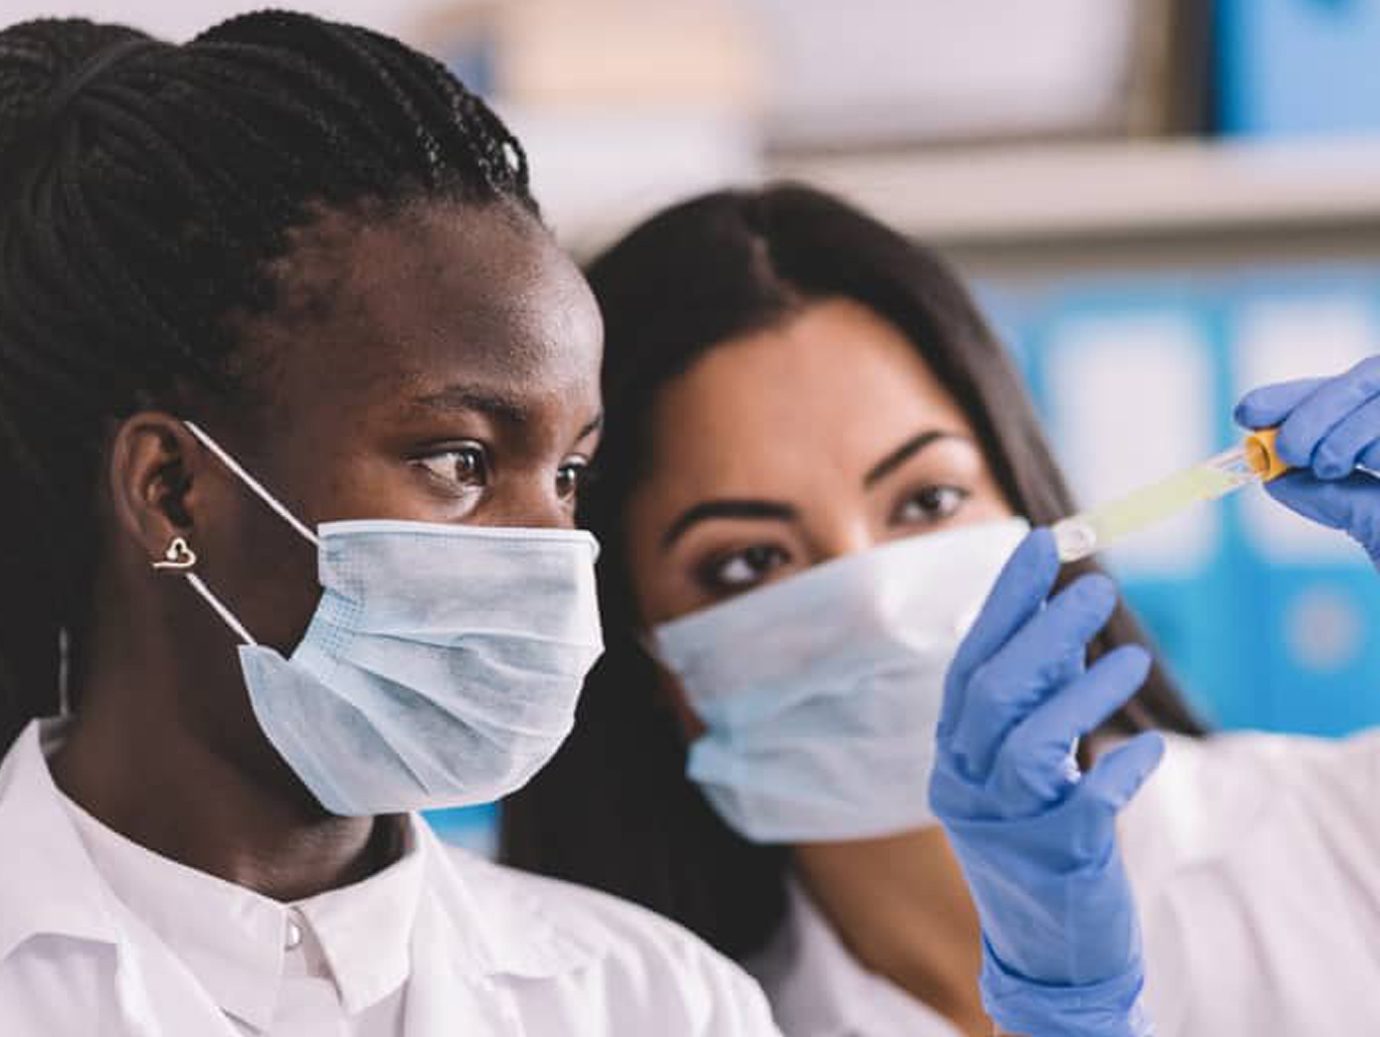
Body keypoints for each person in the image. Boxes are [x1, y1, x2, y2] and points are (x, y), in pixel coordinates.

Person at [0, 15, 780, 1035]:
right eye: (462, 460)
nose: (552, 548)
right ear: (175, 490)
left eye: (571, 472)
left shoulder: (660, 1002)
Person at [502, 182, 1380, 1037]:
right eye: (748, 560)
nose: (879, 605)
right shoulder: (669, 1011)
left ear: (1026, 501)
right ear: (636, 643)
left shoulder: (1343, 837)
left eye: (926, 502)